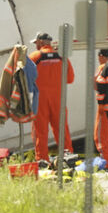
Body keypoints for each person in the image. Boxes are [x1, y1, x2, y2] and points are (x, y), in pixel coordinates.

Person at [29, 31, 75, 163]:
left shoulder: (34, 57)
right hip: (58, 99)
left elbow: (25, 78)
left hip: (40, 101)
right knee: (62, 131)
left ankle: (42, 161)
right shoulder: (62, 57)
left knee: (40, 132)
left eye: (36, 43)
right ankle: (68, 160)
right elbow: (70, 78)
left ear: (41, 42)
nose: (36, 45)